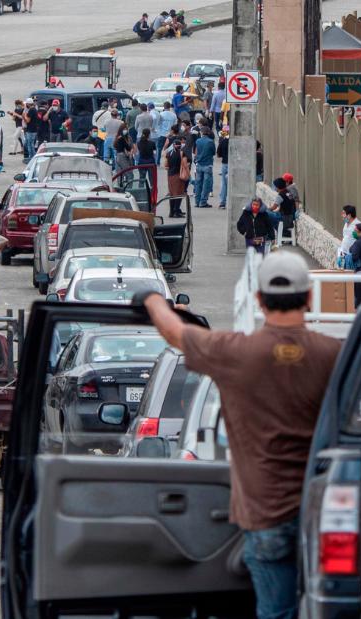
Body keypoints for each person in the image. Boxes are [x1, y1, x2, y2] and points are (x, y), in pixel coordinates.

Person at [135, 250, 340, 619]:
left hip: (265, 514)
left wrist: (151, 299)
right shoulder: (334, 354)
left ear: (259, 300)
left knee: (276, 612)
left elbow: (176, 333)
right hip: (323, 516)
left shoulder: (236, 352)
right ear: (310, 297)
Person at [164, 136, 187, 217]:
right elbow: (185, 164)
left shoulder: (168, 153)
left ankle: (171, 212)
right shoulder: (181, 153)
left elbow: (166, 165)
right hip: (178, 175)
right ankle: (176, 211)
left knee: (172, 194)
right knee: (179, 194)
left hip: (170, 176)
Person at [193, 129, 216, 208]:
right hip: (207, 164)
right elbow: (213, 152)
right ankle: (203, 202)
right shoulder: (210, 142)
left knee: (198, 184)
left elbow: (195, 152)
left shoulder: (198, 141)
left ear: (201, 133)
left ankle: (197, 201)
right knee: (206, 185)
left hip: (199, 164)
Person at [216, 125, 229, 209]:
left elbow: (218, 154)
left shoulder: (223, 141)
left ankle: (222, 203)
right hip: (234, 164)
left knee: (224, 184)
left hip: (225, 163)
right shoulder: (236, 142)